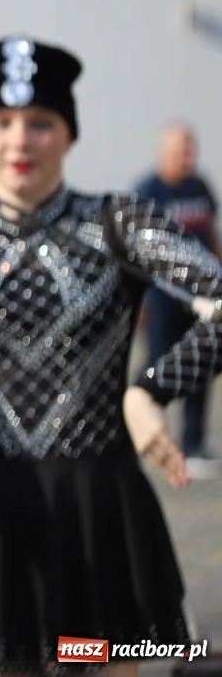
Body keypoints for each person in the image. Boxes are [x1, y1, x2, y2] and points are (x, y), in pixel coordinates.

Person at [0, 36, 222, 677]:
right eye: (0, 123)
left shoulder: (121, 222)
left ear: (69, 136)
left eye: (41, 123)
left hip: (102, 520)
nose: (20, 142)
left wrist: (150, 391)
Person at [132, 121, 221, 474]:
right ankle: (141, 430)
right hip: (164, 295)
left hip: (202, 294)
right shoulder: (148, 191)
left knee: (202, 363)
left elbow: (210, 232)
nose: (187, 157)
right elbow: (134, 253)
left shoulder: (199, 186)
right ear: (164, 152)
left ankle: (194, 442)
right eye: (180, 150)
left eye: (190, 149)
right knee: (158, 362)